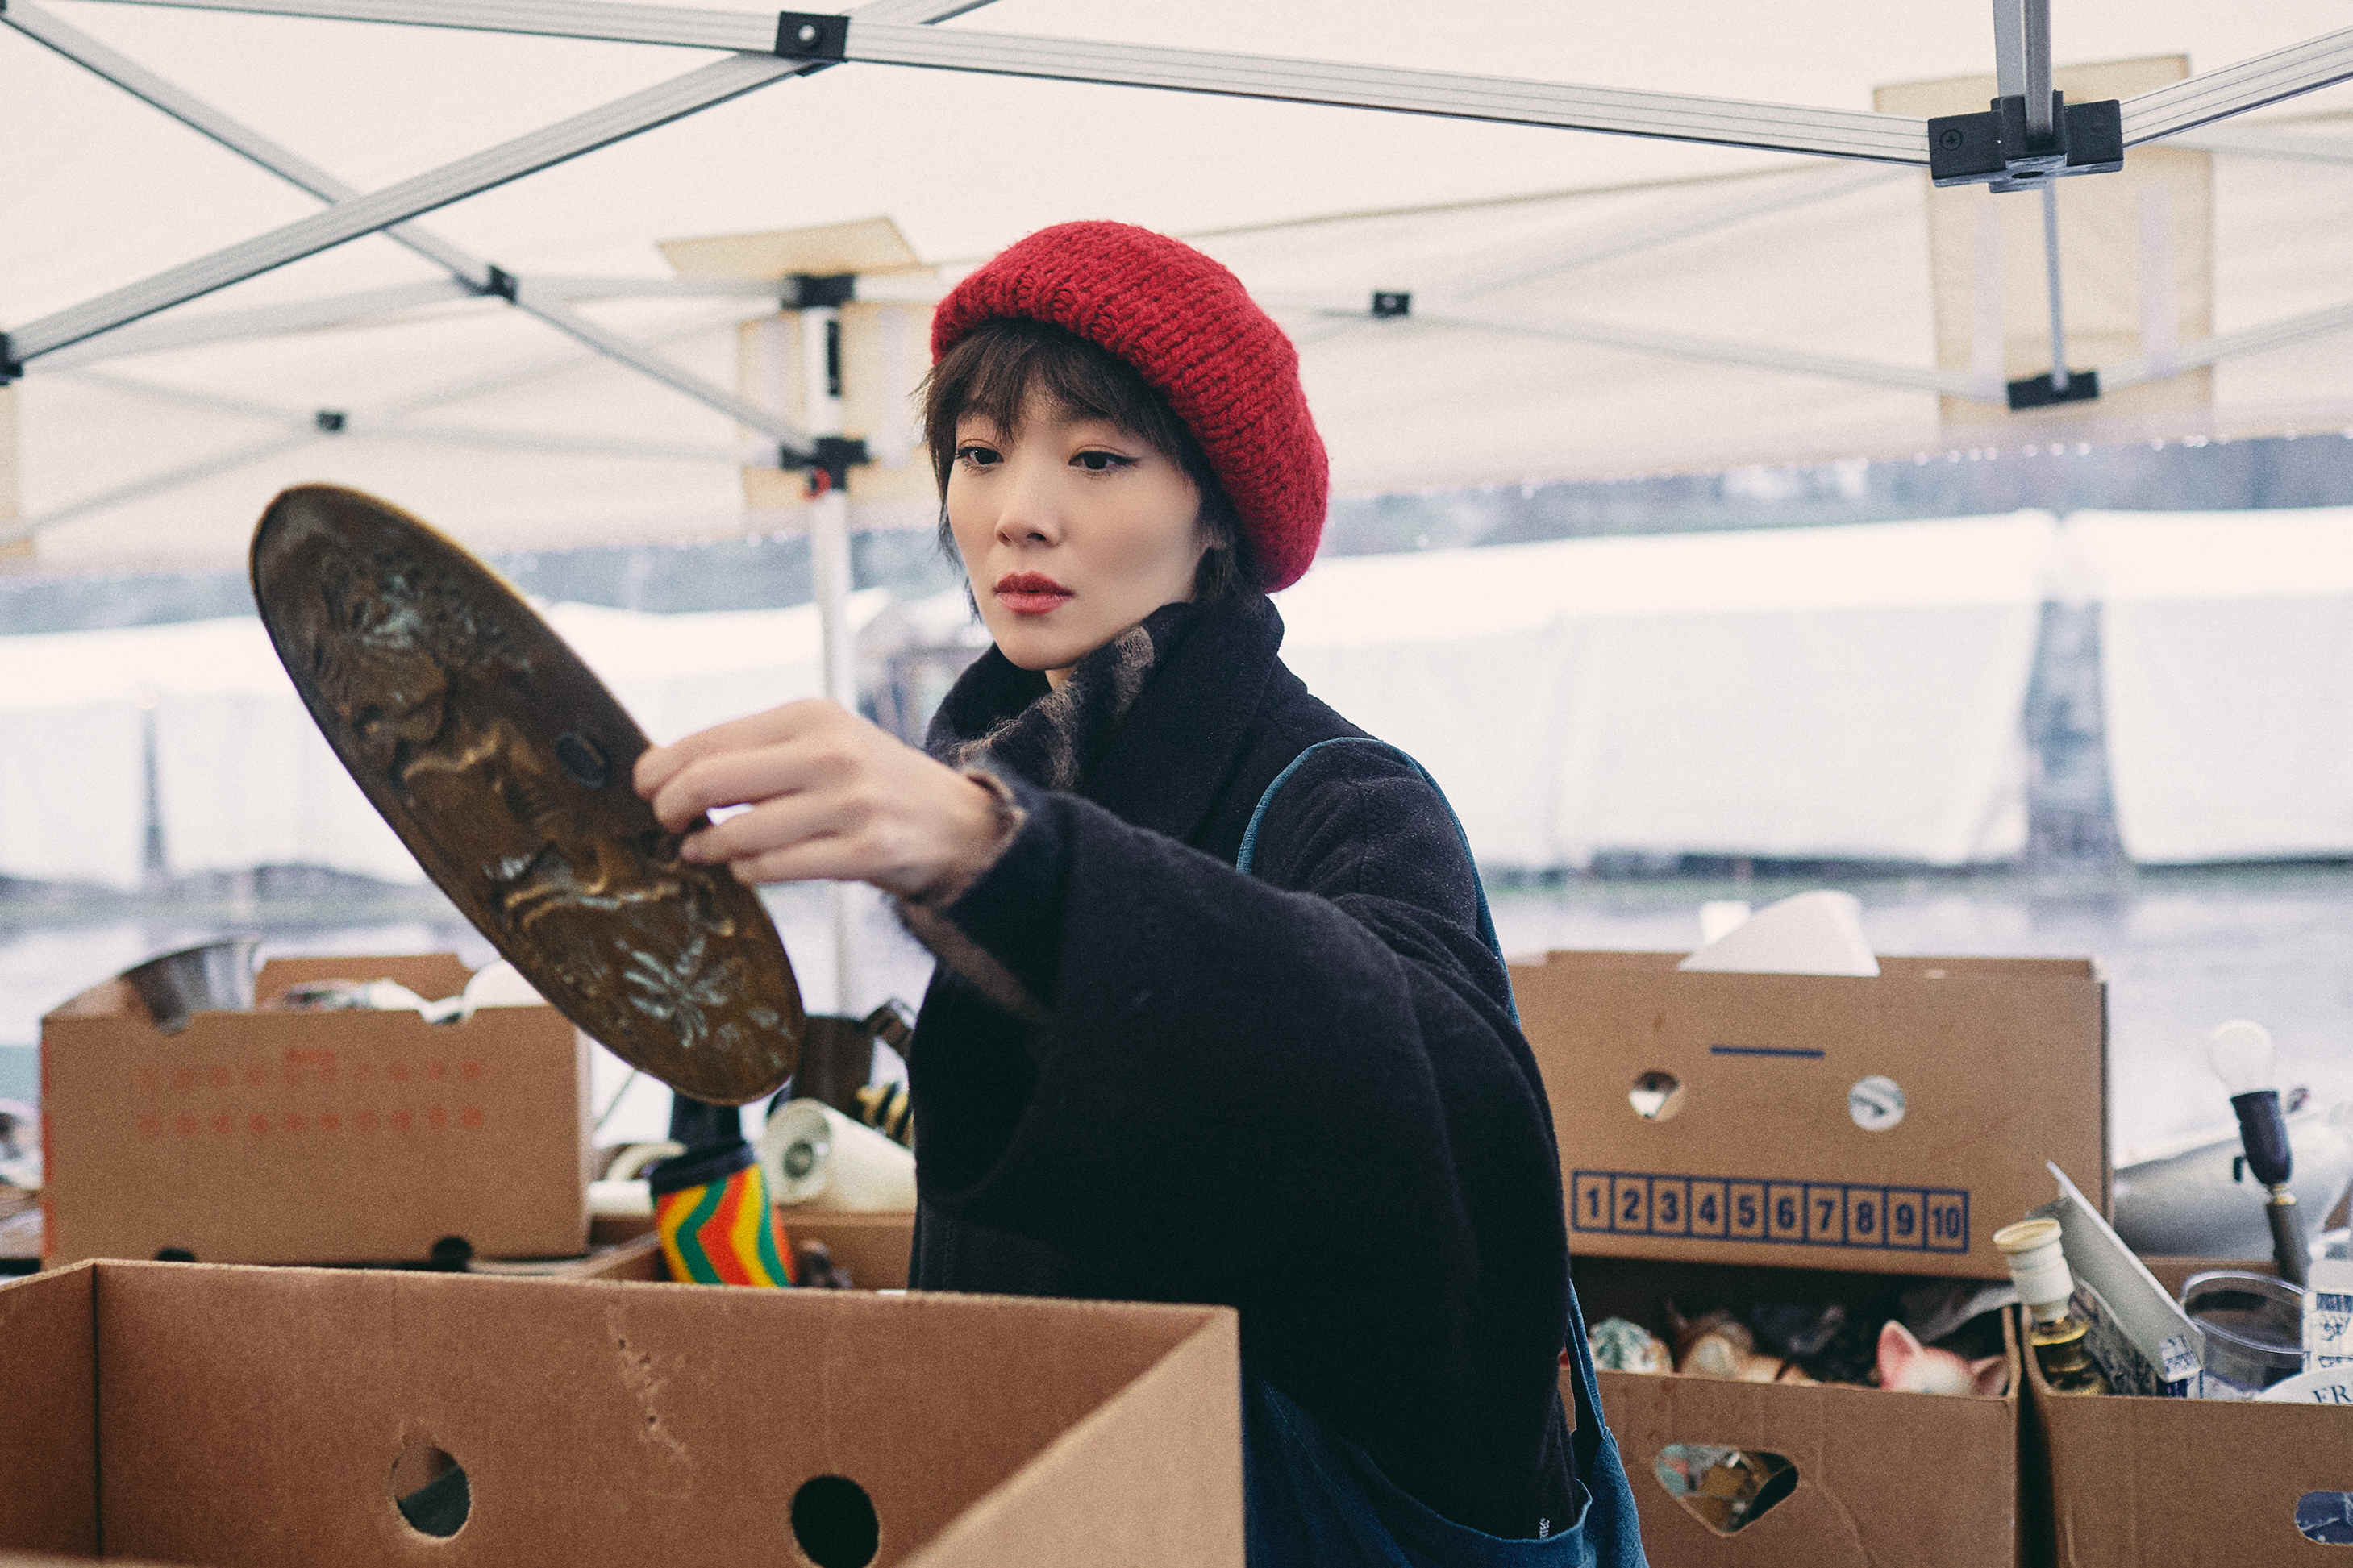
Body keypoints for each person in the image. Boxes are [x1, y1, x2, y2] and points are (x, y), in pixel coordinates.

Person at [635, 221, 1643, 1566]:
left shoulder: (1343, 797)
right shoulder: (1020, 770)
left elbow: (1448, 1120)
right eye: (979, 454)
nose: (1017, 511)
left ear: (1217, 509)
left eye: (1096, 458)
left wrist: (1005, 861)